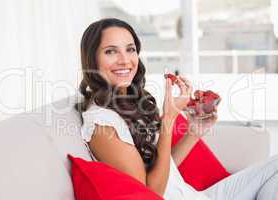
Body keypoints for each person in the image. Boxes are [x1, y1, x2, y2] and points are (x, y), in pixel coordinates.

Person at [75, 18, 278, 200]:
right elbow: (151, 193)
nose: (125, 60)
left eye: (130, 49)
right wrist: (168, 120)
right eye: (111, 51)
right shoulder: (102, 124)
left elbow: (164, 170)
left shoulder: (125, 102)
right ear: (92, 59)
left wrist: (194, 131)